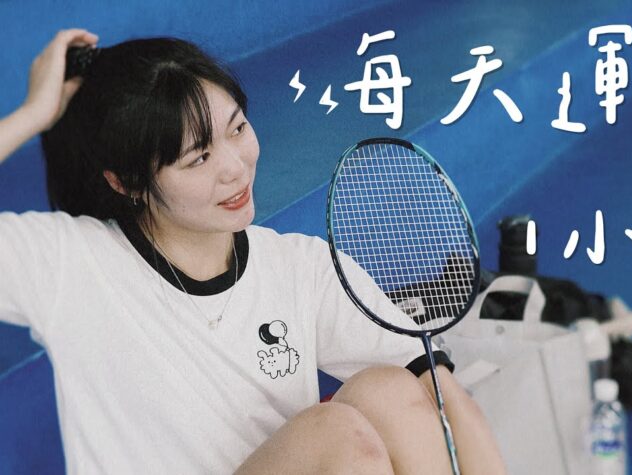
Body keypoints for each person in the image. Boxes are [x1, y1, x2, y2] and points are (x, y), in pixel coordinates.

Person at [0, 29, 506, 474]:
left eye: (238, 128)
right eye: (198, 158)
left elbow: (442, 392)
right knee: (337, 434)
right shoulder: (72, 265)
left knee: (392, 388)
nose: (235, 168)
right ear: (127, 182)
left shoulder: (298, 266)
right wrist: (32, 114)